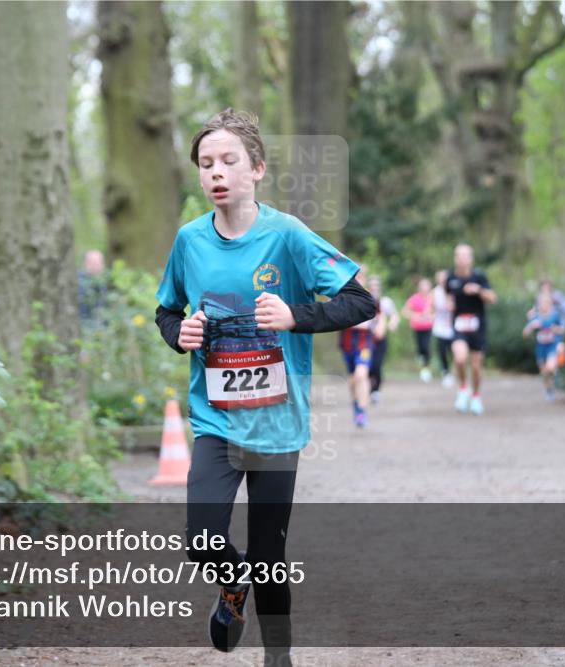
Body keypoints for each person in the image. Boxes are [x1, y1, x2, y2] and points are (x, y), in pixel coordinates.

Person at [154, 108, 374, 667]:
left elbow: (360, 301)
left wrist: (296, 316)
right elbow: (166, 311)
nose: (215, 172)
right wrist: (180, 333)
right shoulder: (189, 241)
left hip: (276, 423)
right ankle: (233, 588)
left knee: (270, 556)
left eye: (228, 160)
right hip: (216, 419)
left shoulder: (288, 235)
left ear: (257, 169)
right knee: (203, 540)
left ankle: (279, 658)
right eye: (205, 163)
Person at [446, 244, 497, 415]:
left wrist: (478, 291)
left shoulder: (479, 277)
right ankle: (462, 388)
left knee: (476, 366)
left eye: (465, 255)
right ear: (455, 258)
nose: (461, 259)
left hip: (477, 326)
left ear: (471, 259)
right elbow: (448, 296)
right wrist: (449, 304)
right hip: (459, 325)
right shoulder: (450, 278)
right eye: (458, 255)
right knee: (460, 358)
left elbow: (492, 298)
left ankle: (476, 396)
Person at [339, 269, 375, 425]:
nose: (359, 280)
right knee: (353, 379)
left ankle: (362, 410)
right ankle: (356, 403)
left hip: (364, 342)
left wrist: (381, 326)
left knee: (362, 375)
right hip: (347, 343)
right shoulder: (342, 296)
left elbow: (379, 316)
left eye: (361, 277)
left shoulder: (370, 297)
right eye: (356, 277)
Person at [523, 290, 565, 401]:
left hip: (552, 346)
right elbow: (525, 334)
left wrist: (555, 329)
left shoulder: (555, 315)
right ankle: (549, 390)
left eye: (546, 303)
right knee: (544, 373)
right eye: (541, 303)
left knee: (550, 367)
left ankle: (557, 376)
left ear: (550, 303)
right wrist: (531, 326)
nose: (543, 305)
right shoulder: (535, 316)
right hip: (541, 348)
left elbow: (563, 330)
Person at [367, 275, 399, 403]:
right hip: (366, 339)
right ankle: (369, 388)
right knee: (367, 366)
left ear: (380, 288)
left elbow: (395, 315)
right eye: (372, 286)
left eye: (376, 286)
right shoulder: (364, 301)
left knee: (377, 365)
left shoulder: (386, 302)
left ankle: (376, 391)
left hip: (381, 339)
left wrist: (392, 323)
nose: (374, 288)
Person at [527, 278, 565, 367]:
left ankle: (560, 350)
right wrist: (532, 316)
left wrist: (555, 308)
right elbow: (536, 310)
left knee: (557, 339)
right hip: (544, 330)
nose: (545, 289)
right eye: (543, 288)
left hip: (556, 325)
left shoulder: (556, 296)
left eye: (547, 287)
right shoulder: (539, 298)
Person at [402, 277, 435, 383]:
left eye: (426, 285)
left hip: (429, 327)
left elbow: (439, 312)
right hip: (417, 327)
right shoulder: (414, 298)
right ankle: (422, 362)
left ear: (429, 287)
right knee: (420, 348)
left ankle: (426, 369)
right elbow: (405, 311)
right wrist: (415, 315)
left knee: (426, 347)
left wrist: (432, 316)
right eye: (422, 286)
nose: (424, 288)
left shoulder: (432, 298)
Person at [432, 270, 456, 388]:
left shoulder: (453, 290)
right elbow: (433, 307)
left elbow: (454, 307)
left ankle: (454, 371)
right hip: (440, 327)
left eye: (444, 278)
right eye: (440, 278)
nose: (442, 280)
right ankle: (446, 373)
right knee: (442, 351)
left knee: (454, 351)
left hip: (453, 326)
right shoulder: (435, 292)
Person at [77, 249, 108, 330]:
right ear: (85, 264)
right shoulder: (78, 282)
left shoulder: (103, 284)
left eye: (98, 263)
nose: (95, 266)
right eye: (92, 263)